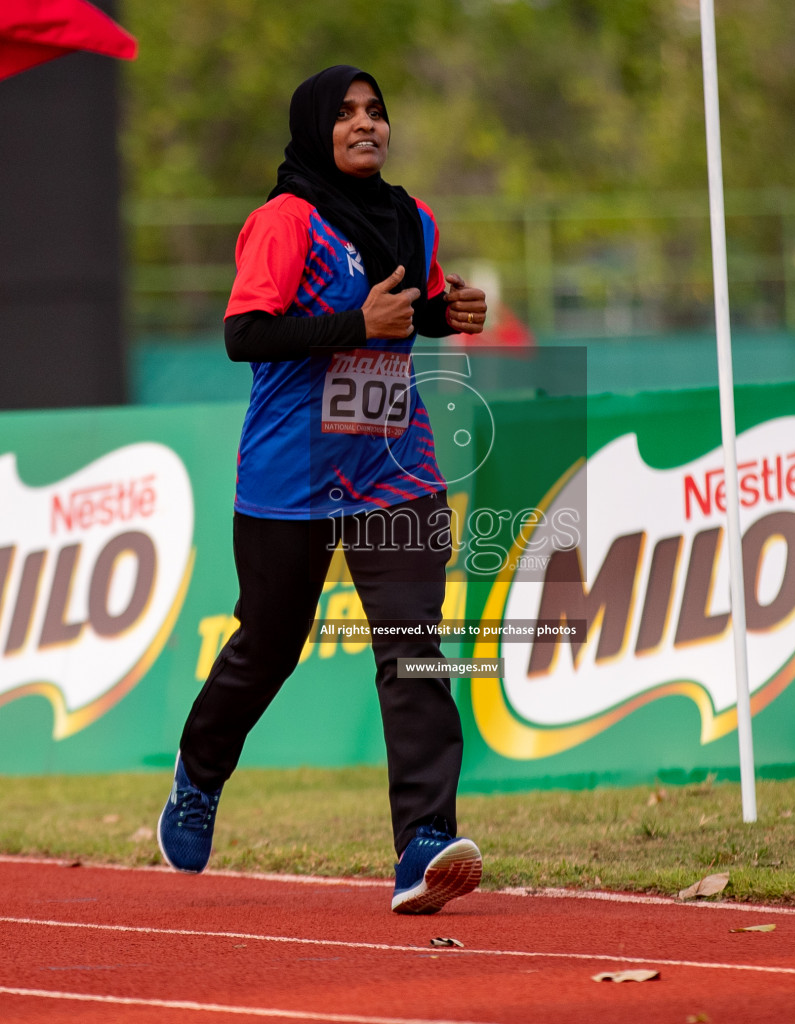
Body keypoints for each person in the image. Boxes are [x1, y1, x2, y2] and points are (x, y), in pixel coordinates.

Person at [157, 65, 490, 915]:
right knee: (267, 645)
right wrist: (356, 325)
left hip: (395, 469)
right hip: (290, 476)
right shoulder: (284, 221)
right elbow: (244, 334)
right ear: (314, 128)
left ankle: (423, 843)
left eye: (376, 111)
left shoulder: (413, 219)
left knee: (414, 647)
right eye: (345, 113)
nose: (365, 123)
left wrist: (446, 313)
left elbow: (406, 307)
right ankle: (199, 774)